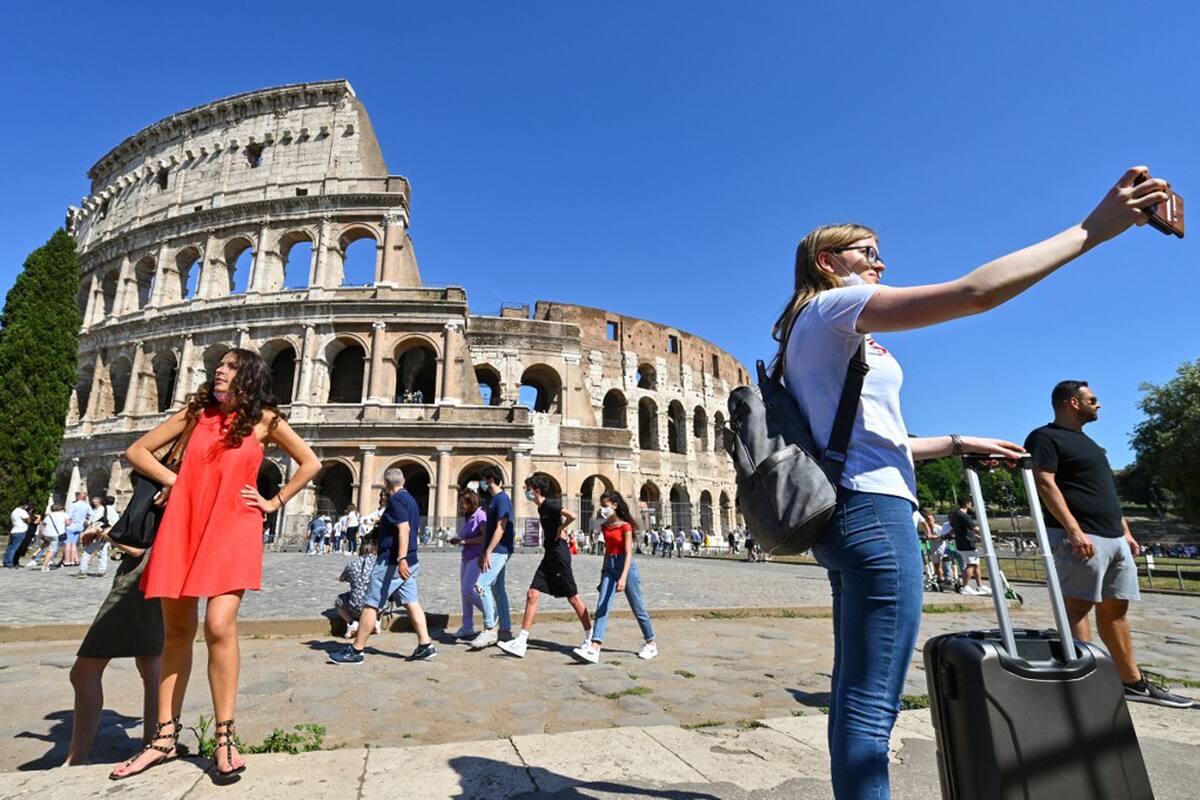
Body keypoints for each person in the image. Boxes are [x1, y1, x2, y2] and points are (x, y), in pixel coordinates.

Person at [772, 169, 1171, 797]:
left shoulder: (806, 330)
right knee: (873, 702)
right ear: (828, 262)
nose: (881, 263)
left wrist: (957, 443)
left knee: (856, 690)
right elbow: (976, 293)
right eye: (867, 253)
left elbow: (867, 440)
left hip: (847, 510)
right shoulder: (835, 306)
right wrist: (1092, 231)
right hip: (874, 514)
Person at [110, 348, 321, 781]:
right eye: (219, 366)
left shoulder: (266, 420)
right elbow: (139, 451)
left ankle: (225, 737)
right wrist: (178, 481)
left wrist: (272, 502)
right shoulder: (195, 412)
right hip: (185, 523)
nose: (219, 371)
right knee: (178, 632)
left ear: (249, 376)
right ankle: (163, 740)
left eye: (229, 367)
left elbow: (310, 462)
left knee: (220, 625)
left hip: (234, 525)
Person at [1026, 380, 1193, 709]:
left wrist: (1126, 531)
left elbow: (1104, 493)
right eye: (1092, 399)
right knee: (1077, 607)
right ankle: (1082, 680)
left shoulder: (1088, 443)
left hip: (1113, 536)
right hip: (1082, 536)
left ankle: (1132, 682)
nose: (1098, 404)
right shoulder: (1045, 438)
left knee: (1116, 609)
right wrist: (1072, 529)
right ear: (1073, 402)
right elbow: (1044, 483)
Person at [66, 530, 164, 766]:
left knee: (83, 673)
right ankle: (153, 745)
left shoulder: (151, 491)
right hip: (157, 569)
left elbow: (136, 544)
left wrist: (104, 533)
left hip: (137, 575)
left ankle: (77, 760)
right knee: (151, 665)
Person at [328, 467, 436, 664]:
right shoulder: (410, 500)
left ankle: (356, 650)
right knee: (412, 602)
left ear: (386, 484)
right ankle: (425, 644)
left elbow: (404, 528)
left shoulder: (395, 500)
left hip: (392, 562)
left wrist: (401, 558)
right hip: (410, 561)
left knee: (371, 604)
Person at [498, 475, 593, 658]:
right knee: (532, 593)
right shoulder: (542, 507)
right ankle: (521, 641)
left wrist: (561, 528)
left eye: (527, 488)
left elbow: (572, 515)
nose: (525, 491)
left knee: (572, 597)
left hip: (559, 555)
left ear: (536, 491)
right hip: (549, 554)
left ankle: (590, 637)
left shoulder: (549, 505)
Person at [573, 491, 656, 664]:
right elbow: (607, 551)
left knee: (638, 607)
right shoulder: (605, 526)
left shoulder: (625, 526)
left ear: (615, 505)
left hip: (626, 566)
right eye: (601, 505)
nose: (602, 509)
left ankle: (651, 643)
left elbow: (628, 553)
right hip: (610, 566)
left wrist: (624, 577)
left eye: (605, 506)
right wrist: (603, 573)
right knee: (602, 605)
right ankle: (595, 647)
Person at [468, 467, 514, 650]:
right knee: (498, 589)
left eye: (483, 480)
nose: (482, 484)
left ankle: (490, 628)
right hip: (496, 549)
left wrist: (488, 551)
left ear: (490, 479)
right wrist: (484, 550)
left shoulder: (502, 499)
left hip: (500, 550)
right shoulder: (495, 500)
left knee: (481, 585)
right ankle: (505, 629)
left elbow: (501, 528)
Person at [449, 490, 487, 640]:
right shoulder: (469, 517)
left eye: (463, 503)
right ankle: (467, 626)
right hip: (466, 557)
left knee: (467, 590)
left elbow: (485, 537)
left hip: (476, 557)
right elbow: (467, 537)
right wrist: (458, 539)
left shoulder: (480, 515)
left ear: (471, 502)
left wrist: (466, 542)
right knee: (464, 594)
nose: (460, 506)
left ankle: (490, 611)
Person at [335, 534, 381, 639]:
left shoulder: (351, 564)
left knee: (339, 601)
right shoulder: (379, 564)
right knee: (386, 595)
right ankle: (376, 621)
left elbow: (342, 578)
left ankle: (352, 623)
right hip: (376, 606)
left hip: (356, 607)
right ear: (374, 551)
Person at [949, 498, 986, 595]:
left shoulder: (955, 515)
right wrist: (986, 536)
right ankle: (965, 587)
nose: (972, 504)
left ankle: (980, 586)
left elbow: (961, 529)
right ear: (966, 503)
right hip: (967, 544)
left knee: (976, 565)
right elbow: (974, 528)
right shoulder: (964, 516)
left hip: (963, 542)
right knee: (971, 565)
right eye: (971, 503)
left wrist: (976, 536)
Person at [78, 495, 118, 578]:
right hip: (107, 533)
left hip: (98, 532)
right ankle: (102, 570)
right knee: (103, 552)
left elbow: (94, 520)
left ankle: (83, 570)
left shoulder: (102, 509)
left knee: (87, 551)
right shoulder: (114, 512)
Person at [4, 502, 32, 567]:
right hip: (20, 531)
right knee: (14, 548)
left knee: (10, 548)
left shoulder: (14, 511)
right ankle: (9, 563)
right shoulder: (22, 511)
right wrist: (29, 513)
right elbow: (29, 520)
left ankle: (7, 561)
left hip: (14, 530)